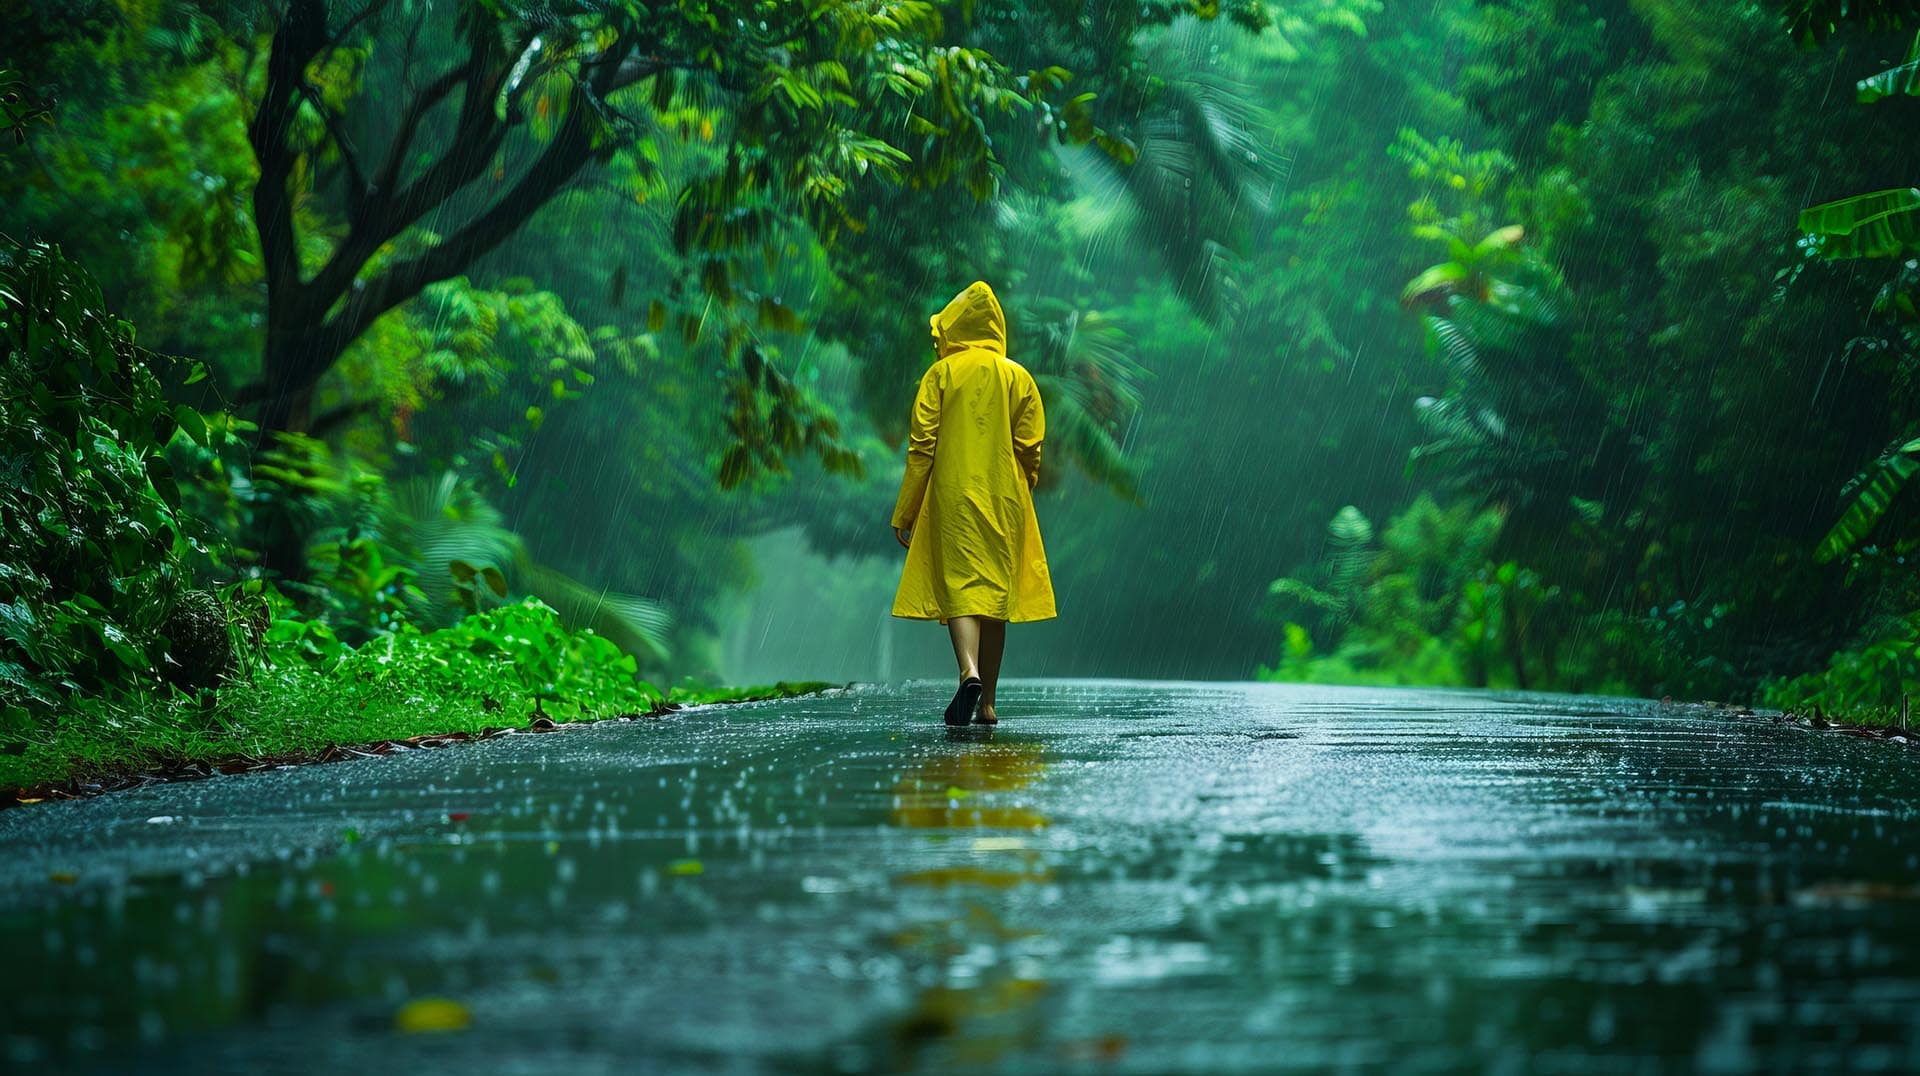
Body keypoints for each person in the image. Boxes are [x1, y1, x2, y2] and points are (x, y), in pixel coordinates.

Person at [889, 281, 1056, 726]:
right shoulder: (1016, 376)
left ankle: (968, 671)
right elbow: (1031, 445)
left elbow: (921, 446)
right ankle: (988, 704)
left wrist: (907, 509)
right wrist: (1024, 484)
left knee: (961, 586)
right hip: (1005, 496)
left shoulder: (940, 375)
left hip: (952, 495)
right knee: (994, 596)